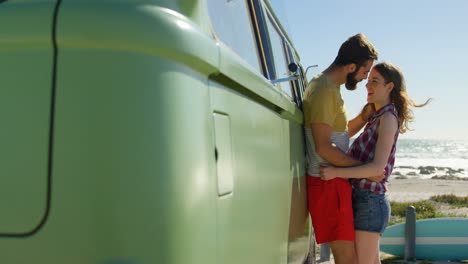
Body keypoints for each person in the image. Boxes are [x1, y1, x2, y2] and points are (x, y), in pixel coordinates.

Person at [320, 62, 430, 264]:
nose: (367, 85)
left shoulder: (388, 118)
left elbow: (377, 169)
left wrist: (335, 172)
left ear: (389, 87)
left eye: (375, 81)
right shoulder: (375, 116)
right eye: (368, 80)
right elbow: (344, 134)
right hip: (364, 199)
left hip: (370, 202)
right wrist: (365, 114)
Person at [303, 33, 379, 264]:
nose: (365, 79)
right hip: (327, 183)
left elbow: (339, 135)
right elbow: (324, 148)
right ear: (351, 67)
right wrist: (366, 169)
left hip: (334, 182)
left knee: (351, 257)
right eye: (365, 72)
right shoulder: (324, 90)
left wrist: (365, 116)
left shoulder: (330, 88)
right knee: (348, 260)